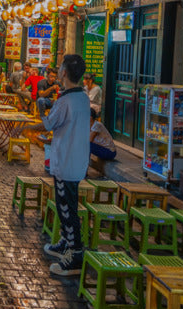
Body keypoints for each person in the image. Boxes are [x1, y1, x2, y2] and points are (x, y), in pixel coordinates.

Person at [27, 53, 91, 277]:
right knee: (66, 205)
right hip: (75, 160)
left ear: (64, 72)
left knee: (67, 209)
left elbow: (47, 125)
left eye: (60, 67)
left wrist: (40, 110)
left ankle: (75, 256)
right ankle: (65, 242)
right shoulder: (82, 97)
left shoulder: (66, 101)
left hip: (66, 161)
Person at [88, 108, 117, 177]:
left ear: (90, 117)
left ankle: (84, 169)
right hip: (102, 149)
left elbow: (89, 140)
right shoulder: (89, 125)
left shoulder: (97, 125)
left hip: (109, 152)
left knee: (87, 145)